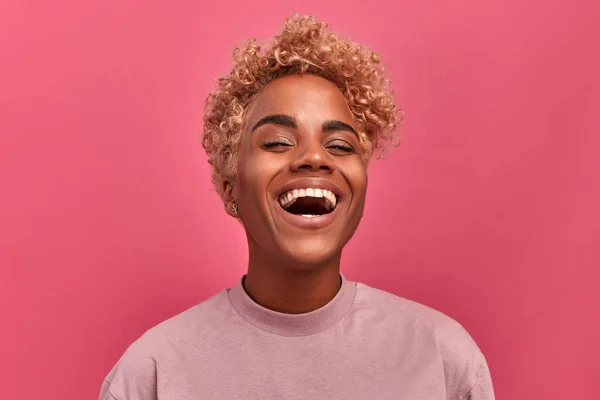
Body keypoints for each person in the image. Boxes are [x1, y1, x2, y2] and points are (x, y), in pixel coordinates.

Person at [99, 14, 495, 400]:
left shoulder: (444, 361)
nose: (314, 158)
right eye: (277, 142)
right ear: (229, 185)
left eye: (340, 146)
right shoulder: (152, 375)